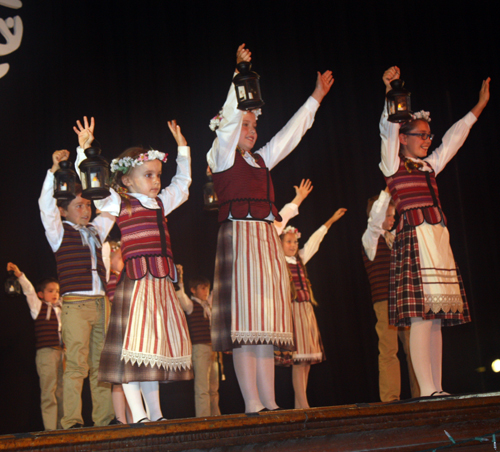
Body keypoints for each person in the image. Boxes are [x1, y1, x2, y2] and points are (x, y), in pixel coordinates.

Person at [207, 43, 334, 413]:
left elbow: (292, 134)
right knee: (246, 328)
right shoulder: (221, 155)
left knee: (264, 325)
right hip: (241, 237)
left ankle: (270, 402)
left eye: (254, 124)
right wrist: (239, 75)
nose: (251, 129)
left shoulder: (261, 159)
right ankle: (251, 404)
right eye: (245, 125)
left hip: (264, 241)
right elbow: (230, 120)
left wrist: (315, 98)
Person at [73, 116, 193, 423]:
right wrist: (83, 151)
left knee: (150, 350)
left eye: (157, 175)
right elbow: (93, 184)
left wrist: (183, 149)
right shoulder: (120, 203)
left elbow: (182, 184)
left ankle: (155, 414)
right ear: (127, 180)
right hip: (137, 284)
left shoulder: (162, 203)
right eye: (148, 174)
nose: (156, 180)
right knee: (131, 349)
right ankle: (137, 414)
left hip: (159, 284)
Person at [380, 66, 490, 396]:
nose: (428, 140)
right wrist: (389, 93)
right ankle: (427, 390)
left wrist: (479, 107)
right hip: (413, 240)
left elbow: (455, 137)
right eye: (421, 135)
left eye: (429, 135)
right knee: (420, 318)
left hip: (437, 241)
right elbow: (387, 131)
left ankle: (437, 388)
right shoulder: (393, 164)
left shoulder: (431, 166)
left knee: (436, 317)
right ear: (404, 138)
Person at [39, 146, 115, 429]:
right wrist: (53, 170)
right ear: (64, 211)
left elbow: (111, 207)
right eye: (79, 206)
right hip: (75, 306)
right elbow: (45, 207)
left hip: (100, 304)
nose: (86, 210)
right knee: (75, 366)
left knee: (101, 365)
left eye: (87, 205)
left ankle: (104, 419)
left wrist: (87, 158)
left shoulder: (96, 230)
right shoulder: (59, 233)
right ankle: (71, 422)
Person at [280, 208, 346, 408]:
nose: (293, 245)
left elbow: (314, 242)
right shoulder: (278, 262)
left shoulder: (300, 259)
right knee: (298, 361)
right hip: (293, 311)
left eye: (295, 242)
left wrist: (330, 221)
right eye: (288, 242)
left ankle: (300, 405)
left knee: (306, 361)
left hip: (306, 311)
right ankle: (303, 405)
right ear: (280, 243)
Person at [362, 188, 419, 401]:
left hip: (403, 300)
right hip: (384, 301)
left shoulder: (393, 238)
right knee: (388, 350)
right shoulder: (371, 238)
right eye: (388, 215)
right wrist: (385, 194)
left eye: (392, 215)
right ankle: (390, 399)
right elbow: (375, 221)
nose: (391, 219)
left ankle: (421, 393)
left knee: (415, 349)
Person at [7, 263, 64, 430]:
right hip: (47, 353)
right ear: (41, 294)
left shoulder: (61, 308)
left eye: (57, 291)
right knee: (49, 392)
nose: (55, 294)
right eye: (50, 291)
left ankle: (64, 428)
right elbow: (29, 291)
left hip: (63, 352)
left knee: (63, 392)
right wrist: (19, 275)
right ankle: (51, 430)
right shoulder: (38, 307)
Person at [176, 266, 221, 418]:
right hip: (199, 348)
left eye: (207, 288)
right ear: (193, 290)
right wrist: (180, 278)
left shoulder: (208, 306)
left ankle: (216, 417)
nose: (206, 291)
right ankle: (204, 419)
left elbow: (217, 292)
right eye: (202, 288)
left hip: (212, 349)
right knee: (202, 387)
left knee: (214, 387)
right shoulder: (191, 305)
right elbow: (180, 295)